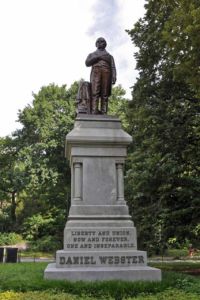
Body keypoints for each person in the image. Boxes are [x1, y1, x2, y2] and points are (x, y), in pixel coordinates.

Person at [85, 37, 116, 114]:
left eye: (102, 41)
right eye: (98, 42)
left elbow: (113, 67)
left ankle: (104, 111)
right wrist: (97, 57)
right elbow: (87, 63)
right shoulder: (92, 54)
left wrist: (114, 76)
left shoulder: (109, 56)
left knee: (104, 93)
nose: (99, 43)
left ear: (105, 44)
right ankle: (94, 110)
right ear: (96, 44)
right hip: (96, 73)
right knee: (95, 92)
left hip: (107, 73)